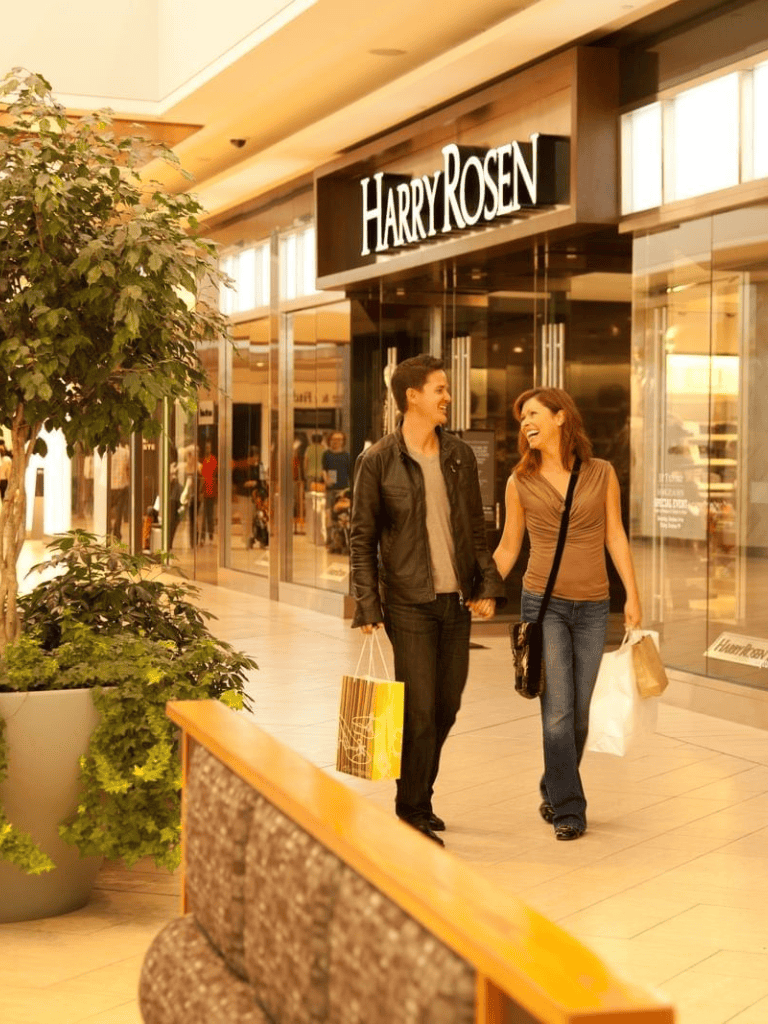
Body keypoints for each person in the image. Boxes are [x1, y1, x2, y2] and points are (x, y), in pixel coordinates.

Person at [350, 354, 505, 846]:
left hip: (453, 600)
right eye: (439, 389)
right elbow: (361, 538)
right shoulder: (377, 460)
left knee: (447, 704)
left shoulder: (458, 454)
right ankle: (412, 806)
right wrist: (368, 605)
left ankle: (417, 791)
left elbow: (474, 528)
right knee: (418, 708)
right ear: (411, 395)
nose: (448, 397)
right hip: (408, 600)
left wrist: (484, 585)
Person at [493, 387, 642, 842]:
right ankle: (569, 808)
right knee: (557, 711)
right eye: (521, 419)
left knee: (579, 714)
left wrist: (632, 597)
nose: (525, 424)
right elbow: (509, 546)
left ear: (561, 417)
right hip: (544, 605)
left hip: (595, 605)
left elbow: (615, 535)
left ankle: (552, 784)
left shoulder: (601, 473)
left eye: (533, 414)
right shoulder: (519, 481)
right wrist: (479, 591)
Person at [323, 431, 351, 545]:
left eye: (339, 439)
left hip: (343, 489)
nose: (337, 442)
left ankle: (341, 538)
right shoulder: (327, 454)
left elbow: (350, 473)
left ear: (343, 441)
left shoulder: (346, 455)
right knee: (329, 513)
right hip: (330, 489)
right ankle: (329, 537)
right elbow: (324, 469)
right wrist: (326, 479)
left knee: (342, 514)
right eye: (334, 439)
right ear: (330, 440)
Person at [110, 440, 131, 541]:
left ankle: (108, 530)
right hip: (121, 485)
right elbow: (129, 468)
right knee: (119, 512)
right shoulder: (125, 452)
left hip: (108, 486)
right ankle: (117, 532)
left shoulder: (106, 453)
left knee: (107, 512)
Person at [200, 441, 218, 543]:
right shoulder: (203, 460)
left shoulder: (213, 460)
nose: (207, 449)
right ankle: (202, 537)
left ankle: (210, 535)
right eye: (206, 447)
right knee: (203, 515)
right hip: (204, 490)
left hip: (212, 490)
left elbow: (214, 474)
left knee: (210, 514)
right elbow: (202, 476)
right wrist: (201, 491)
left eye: (209, 447)